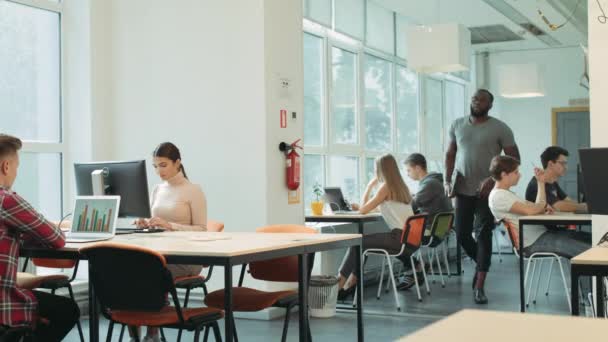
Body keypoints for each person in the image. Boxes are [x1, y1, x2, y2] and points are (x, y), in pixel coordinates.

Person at [0, 134, 80, 341]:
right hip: (3, 303)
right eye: (17, 166)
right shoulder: (6, 200)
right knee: (66, 310)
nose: (16, 173)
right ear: (6, 166)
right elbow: (57, 238)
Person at [444, 89, 520, 304]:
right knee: (461, 234)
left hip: (488, 192)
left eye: (482, 99)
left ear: (490, 104)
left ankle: (479, 285)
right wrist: (447, 180)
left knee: (484, 233)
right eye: (474, 98)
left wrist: (493, 180)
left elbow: (514, 158)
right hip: (462, 188)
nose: (477, 102)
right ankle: (481, 264)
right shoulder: (457, 125)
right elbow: (450, 154)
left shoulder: (500, 128)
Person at [132, 142, 207, 342]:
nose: (158, 171)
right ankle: (135, 336)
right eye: (155, 166)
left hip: (187, 258)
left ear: (177, 163)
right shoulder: (157, 189)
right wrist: (145, 223)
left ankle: (152, 333)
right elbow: (155, 222)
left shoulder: (193, 190)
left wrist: (171, 225)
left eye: (163, 165)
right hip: (160, 254)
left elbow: (202, 230)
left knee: (147, 273)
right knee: (129, 270)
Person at [337, 154, 419, 300]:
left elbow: (363, 209)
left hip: (398, 238)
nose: (374, 171)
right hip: (410, 240)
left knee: (356, 242)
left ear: (381, 169)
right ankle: (350, 284)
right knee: (362, 245)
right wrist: (366, 207)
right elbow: (386, 207)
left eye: (375, 168)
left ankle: (337, 288)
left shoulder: (385, 187)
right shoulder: (401, 187)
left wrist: (369, 186)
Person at [488, 156, 589, 261]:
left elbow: (537, 208)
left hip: (541, 236)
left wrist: (540, 182)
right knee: (589, 249)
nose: (519, 175)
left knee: (588, 238)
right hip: (533, 243)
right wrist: (540, 207)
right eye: (516, 172)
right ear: (504, 174)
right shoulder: (498, 196)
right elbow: (533, 210)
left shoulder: (506, 194)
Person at [525, 146, 587, 214]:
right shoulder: (536, 184)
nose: (566, 167)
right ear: (550, 164)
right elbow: (557, 206)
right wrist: (584, 206)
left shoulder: (553, 182)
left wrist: (581, 206)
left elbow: (568, 201)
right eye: (563, 163)